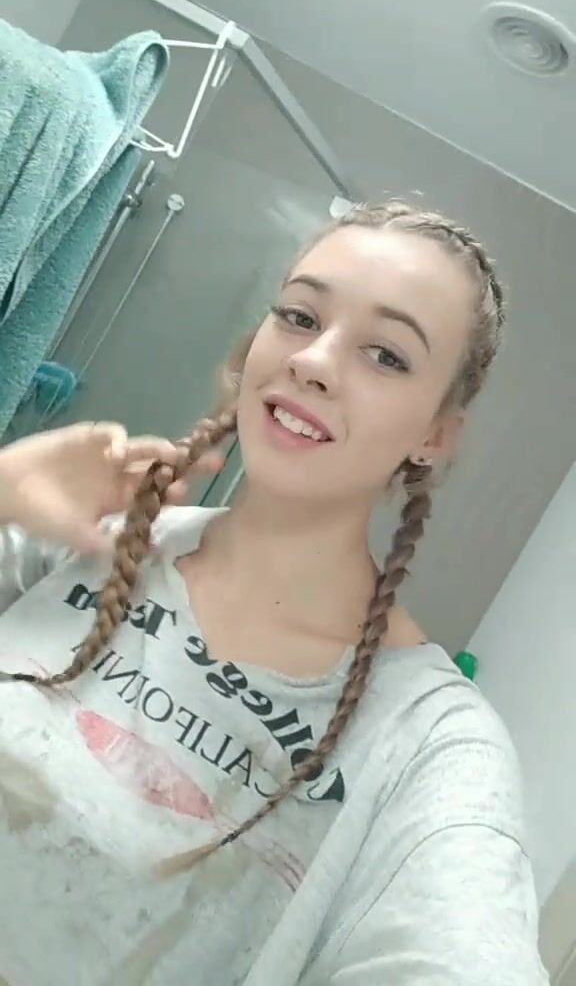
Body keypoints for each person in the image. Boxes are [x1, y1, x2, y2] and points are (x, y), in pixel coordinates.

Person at [0, 202, 548, 985]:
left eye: (386, 355)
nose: (314, 360)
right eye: (299, 316)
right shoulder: (85, 542)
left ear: (434, 436)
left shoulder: (432, 747)